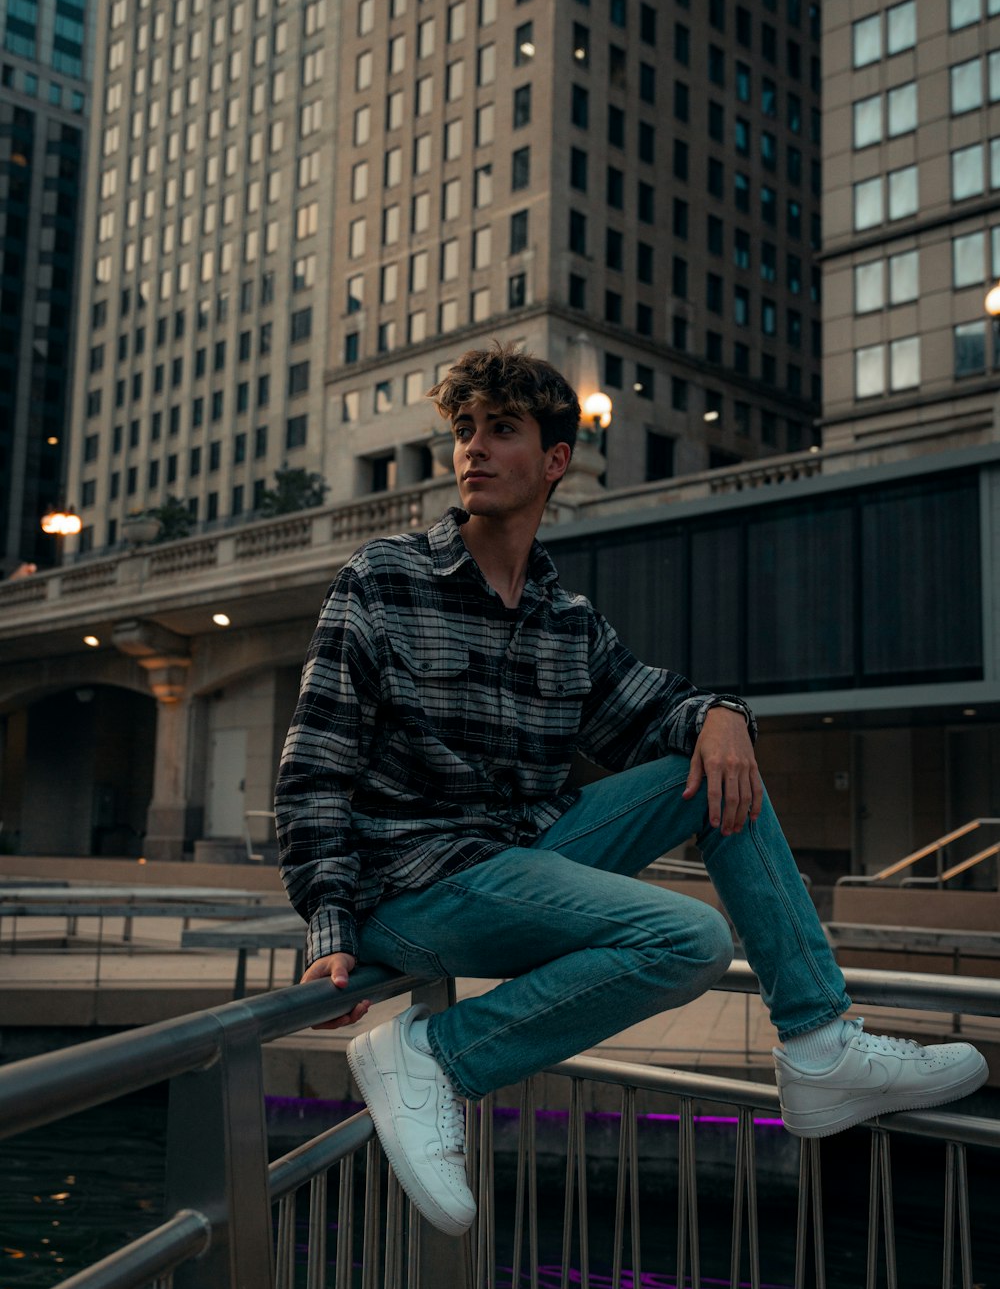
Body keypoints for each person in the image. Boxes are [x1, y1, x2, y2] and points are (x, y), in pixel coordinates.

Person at [275, 343, 987, 1238]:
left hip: (514, 857)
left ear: (556, 461)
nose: (474, 451)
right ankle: (435, 1058)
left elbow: (654, 711)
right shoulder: (385, 579)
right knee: (687, 937)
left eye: (502, 431)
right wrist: (330, 928)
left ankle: (818, 1045)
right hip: (410, 881)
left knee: (718, 766)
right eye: (464, 432)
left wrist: (722, 715)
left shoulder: (566, 622)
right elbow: (314, 768)